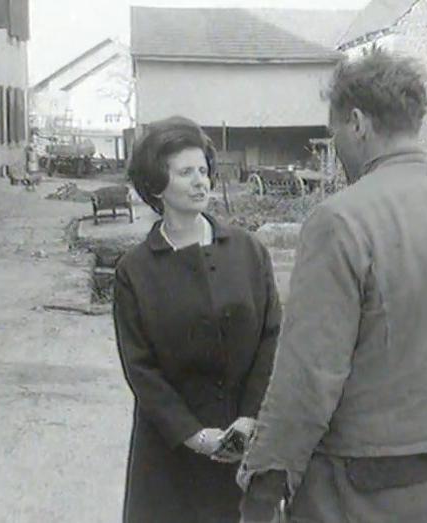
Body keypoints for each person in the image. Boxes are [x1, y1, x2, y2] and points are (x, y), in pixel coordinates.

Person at [237, 50, 427, 523]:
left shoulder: (339, 220)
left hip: (361, 492)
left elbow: (309, 375)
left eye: (334, 132)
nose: (335, 145)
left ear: (356, 123)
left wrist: (266, 480)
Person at [113, 116, 281, 522]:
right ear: (157, 184)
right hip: (170, 454)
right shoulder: (135, 270)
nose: (200, 181)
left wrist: (249, 417)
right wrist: (195, 435)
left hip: (243, 443)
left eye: (203, 170)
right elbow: (141, 369)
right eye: (185, 172)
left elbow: (271, 337)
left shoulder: (248, 251)